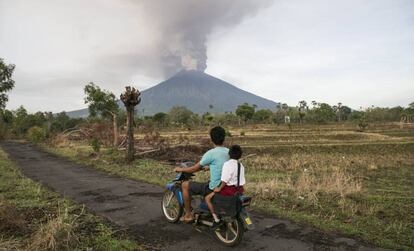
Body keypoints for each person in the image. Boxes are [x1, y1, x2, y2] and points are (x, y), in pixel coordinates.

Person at [173, 126, 229, 223]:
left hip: (215, 187)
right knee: (204, 184)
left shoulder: (211, 153)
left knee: (185, 185)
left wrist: (181, 169)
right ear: (224, 138)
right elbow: (224, 165)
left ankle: (188, 215)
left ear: (212, 139)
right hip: (227, 185)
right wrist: (210, 167)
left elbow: (194, 168)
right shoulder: (229, 152)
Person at [205, 145, 245, 225]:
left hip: (228, 190)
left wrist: (219, 188)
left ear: (229, 154)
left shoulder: (227, 164)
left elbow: (224, 180)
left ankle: (216, 219)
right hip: (239, 189)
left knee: (207, 198)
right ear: (240, 155)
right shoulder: (240, 165)